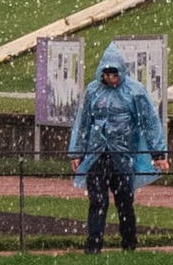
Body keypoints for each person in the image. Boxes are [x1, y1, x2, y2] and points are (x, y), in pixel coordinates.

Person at [67, 38, 164, 252]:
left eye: (115, 74)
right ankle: (93, 247)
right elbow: (83, 123)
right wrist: (77, 152)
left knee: (125, 204)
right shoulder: (93, 91)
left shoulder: (135, 91)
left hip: (123, 157)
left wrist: (158, 154)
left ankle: (129, 245)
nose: (111, 79)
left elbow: (149, 121)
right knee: (98, 203)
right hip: (97, 156)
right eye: (108, 74)